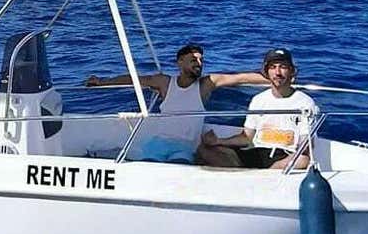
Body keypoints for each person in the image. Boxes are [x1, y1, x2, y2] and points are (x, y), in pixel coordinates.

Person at [81, 41, 276, 166]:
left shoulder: (206, 85)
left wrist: (273, 80)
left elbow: (239, 78)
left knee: (178, 169)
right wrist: (102, 82)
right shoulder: (165, 82)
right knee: (148, 169)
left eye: (200, 60)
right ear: (180, 62)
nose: (198, 63)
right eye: (193, 59)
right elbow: (133, 79)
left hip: (184, 147)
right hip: (158, 144)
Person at [229, 48, 321, 169]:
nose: (277, 72)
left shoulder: (306, 102)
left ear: (292, 71)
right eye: (273, 67)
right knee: (209, 151)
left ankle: (261, 172)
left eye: (283, 67)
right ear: (266, 72)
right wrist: (217, 141)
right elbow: (247, 137)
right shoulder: (258, 99)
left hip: (284, 155)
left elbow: (306, 145)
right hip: (256, 152)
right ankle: (254, 172)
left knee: (302, 160)